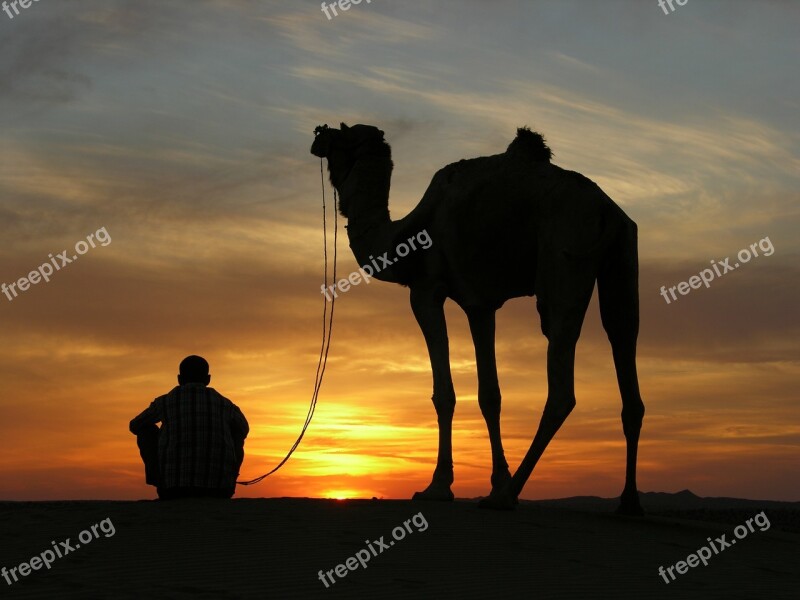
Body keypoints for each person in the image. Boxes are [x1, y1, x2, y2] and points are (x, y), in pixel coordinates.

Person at [130, 355, 249, 499]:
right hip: (220, 490)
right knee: (237, 432)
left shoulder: (164, 402)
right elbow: (244, 429)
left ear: (179, 379)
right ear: (208, 379)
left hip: (173, 490)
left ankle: (160, 480)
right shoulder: (225, 404)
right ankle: (228, 479)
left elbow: (135, 425)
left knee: (146, 430)